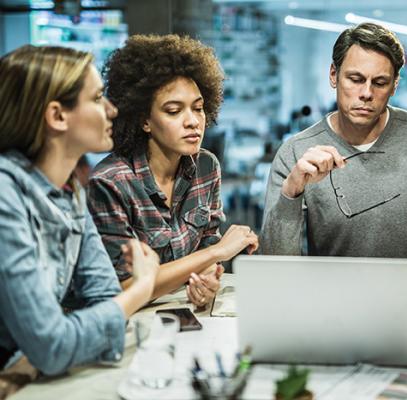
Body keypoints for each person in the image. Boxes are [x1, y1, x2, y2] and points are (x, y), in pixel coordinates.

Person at [261, 23, 407, 299]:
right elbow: (275, 266)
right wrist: (291, 192)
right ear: (334, 75)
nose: (366, 93)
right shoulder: (296, 153)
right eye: (355, 79)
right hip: (337, 307)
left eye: (379, 82)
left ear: (394, 85)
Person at [0, 45, 160, 376]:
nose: (112, 109)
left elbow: (106, 309)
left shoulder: (70, 189)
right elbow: (52, 346)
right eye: (97, 97)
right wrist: (142, 288)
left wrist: (84, 331)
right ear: (57, 115)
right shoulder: (5, 196)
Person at [87, 34, 259, 308]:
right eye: (173, 111)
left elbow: (206, 252)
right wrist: (217, 253)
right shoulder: (110, 183)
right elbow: (127, 286)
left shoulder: (206, 167)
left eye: (199, 108)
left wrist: (208, 280)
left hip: (186, 315)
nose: (193, 122)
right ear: (144, 120)